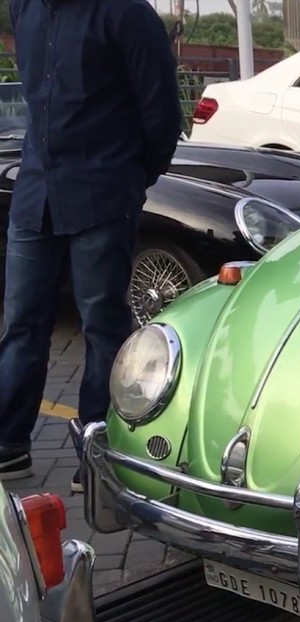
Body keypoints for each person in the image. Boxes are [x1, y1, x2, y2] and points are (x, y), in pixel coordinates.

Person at [0, 0, 184, 489]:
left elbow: (162, 113)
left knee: (103, 328)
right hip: (35, 194)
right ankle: (8, 446)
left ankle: (98, 456)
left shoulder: (125, 14)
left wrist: (129, 179)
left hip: (102, 197)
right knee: (22, 325)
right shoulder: (25, 9)